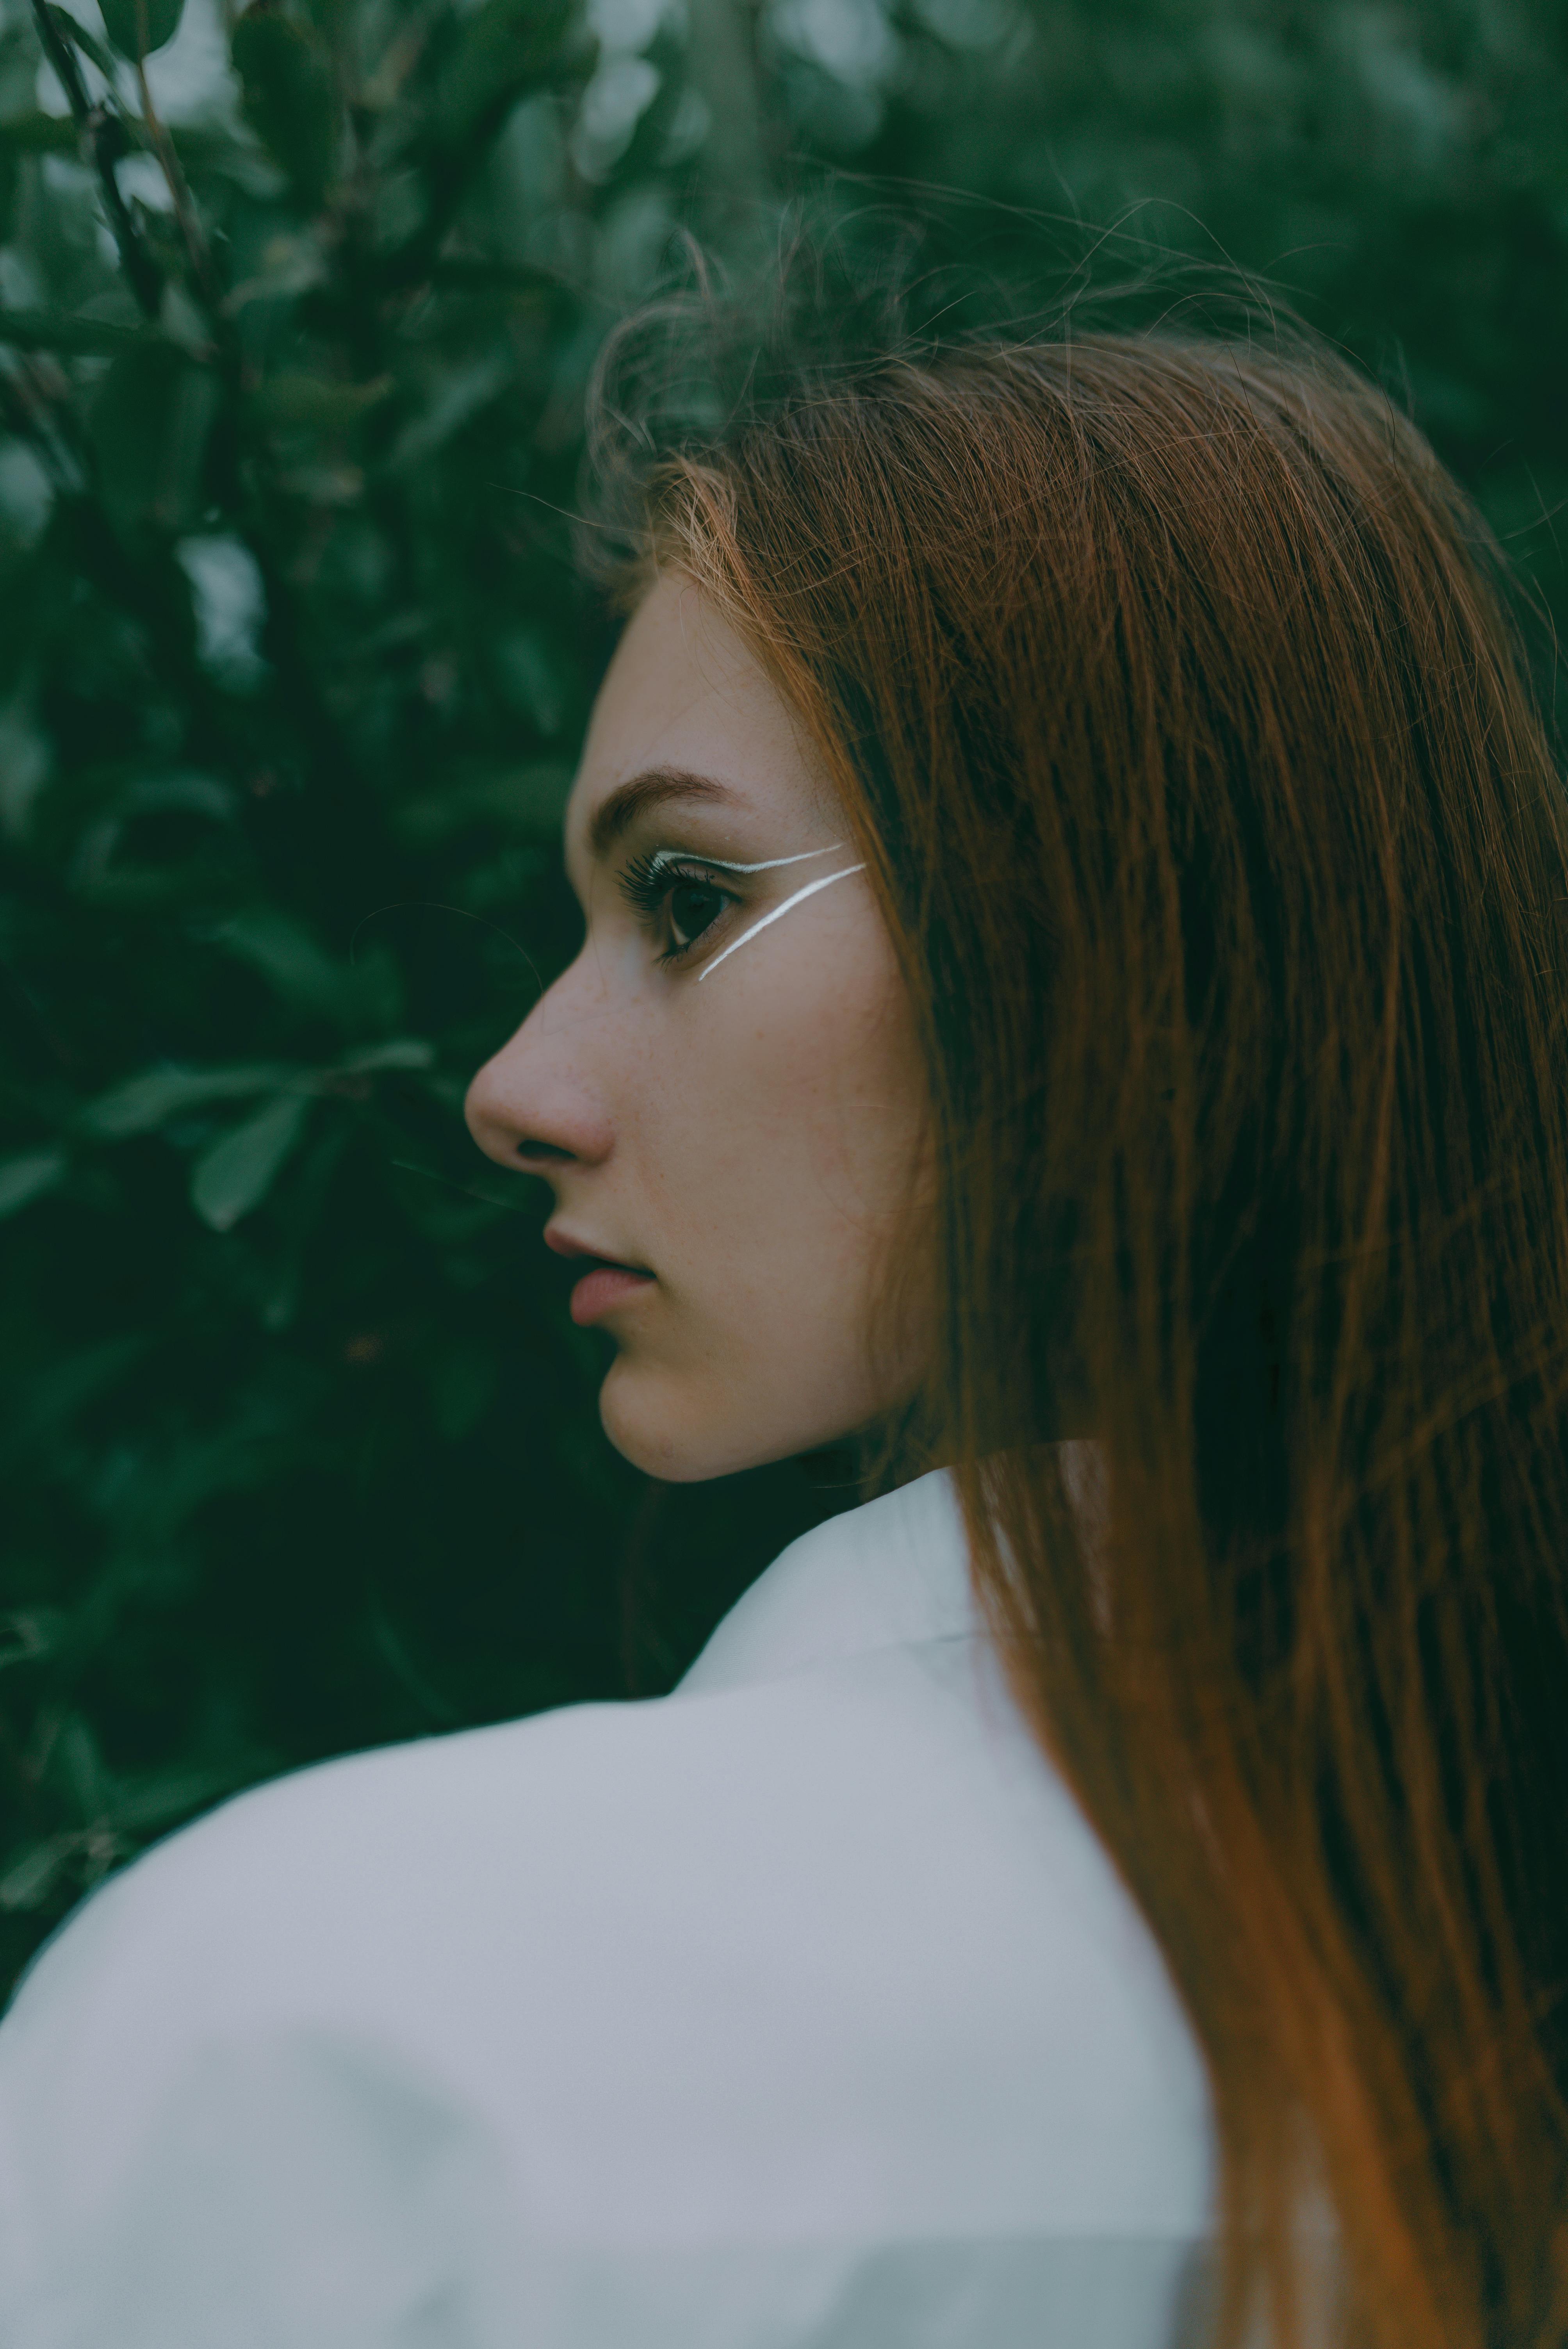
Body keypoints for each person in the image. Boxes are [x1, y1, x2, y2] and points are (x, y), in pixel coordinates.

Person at [2, 289, 1566, 2349]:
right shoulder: (1436, 2005)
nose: (516, 1086)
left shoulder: (337, 2053)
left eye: (685, 899)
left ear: (1110, 938)